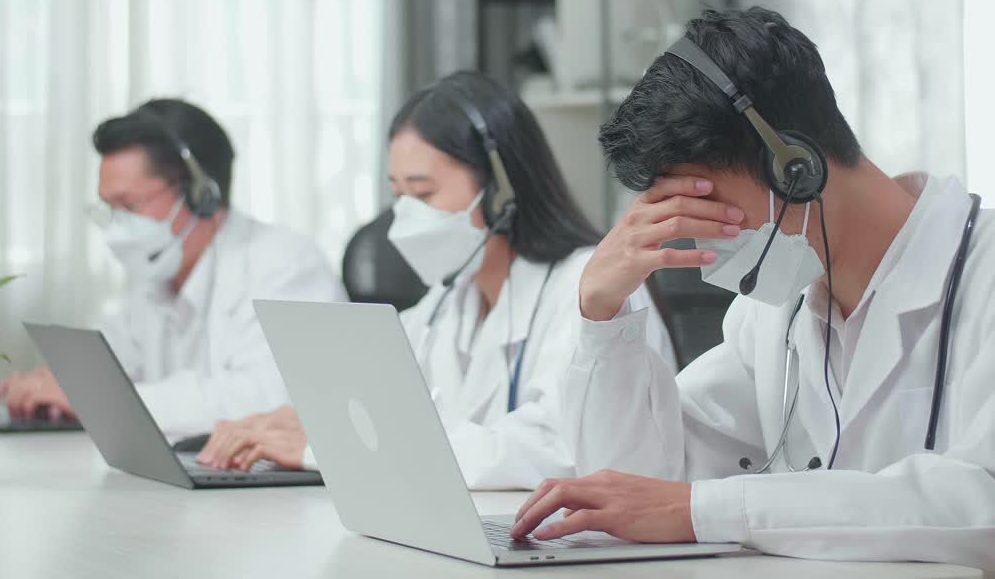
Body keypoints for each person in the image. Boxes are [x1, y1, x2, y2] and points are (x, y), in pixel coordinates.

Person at [510, 7, 995, 577]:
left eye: (703, 204)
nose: (695, 238)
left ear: (796, 168)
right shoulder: (776, 311)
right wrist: (602, 313)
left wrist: (714, 509)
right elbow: (643, 490)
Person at [194, 71, 676, 489]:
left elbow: (554, 450)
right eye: (398, 193)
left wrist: (323, 445)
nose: (404, 216)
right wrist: (294, 422)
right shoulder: (449, 299)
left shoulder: (596, 286)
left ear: (501, 190)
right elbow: (372, 409)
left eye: (423, 192)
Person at [0, 99, 346, 436]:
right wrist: (57, 386)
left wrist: (97, 400)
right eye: (110, 209)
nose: (118, 227)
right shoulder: (156, 276)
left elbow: (267, 398)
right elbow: (113, 362)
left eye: (130, 205)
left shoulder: (285, 263)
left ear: (201, 193)